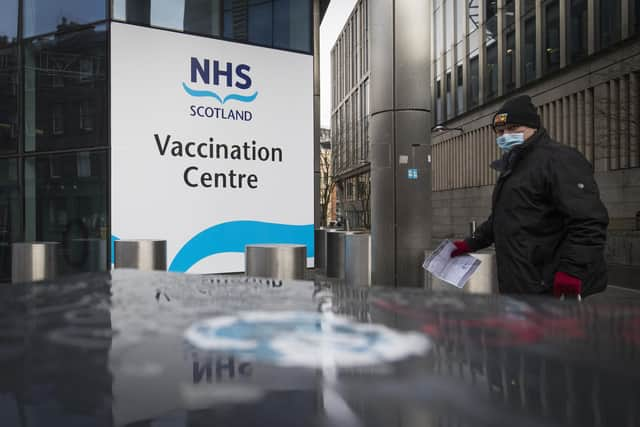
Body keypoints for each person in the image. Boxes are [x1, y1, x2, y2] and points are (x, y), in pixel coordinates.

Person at [450, 95, 609, 298]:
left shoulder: (559, 160)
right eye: (500, 131)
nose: (506, 135)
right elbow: (505, 216)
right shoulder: (514, 166)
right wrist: (470, 243)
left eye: (514, 128)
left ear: (533, 127)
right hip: (523, 284)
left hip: (550, 285)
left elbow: (588, 221)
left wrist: (571, 271)